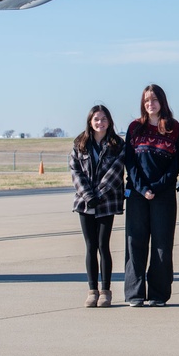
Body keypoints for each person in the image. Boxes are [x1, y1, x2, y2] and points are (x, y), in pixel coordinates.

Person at [123, 84, 179, 307]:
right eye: (147, 100)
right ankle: (135, 293)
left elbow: (175, 165)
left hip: (163, 194)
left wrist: (155, 188)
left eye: (154, 99)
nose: (150, 104)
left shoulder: (174, 128)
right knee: (135, 243)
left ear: (162, 102)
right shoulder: (135, 128)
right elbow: (130, 162)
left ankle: (158, 293)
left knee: (162, 244)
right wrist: (142, 188)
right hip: (138, 194)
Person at [69, 105, 124, 308]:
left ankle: (106, 291)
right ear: (90, 121)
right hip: (85, 203)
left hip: (106, 202)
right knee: (90, 246)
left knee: (103, 245)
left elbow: (116, 171)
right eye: (96, 119)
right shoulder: (80, 143)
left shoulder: (117, 144)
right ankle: (92, 290)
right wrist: (87, 195)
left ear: (109, 121)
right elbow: (75, 171)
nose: (100, 123)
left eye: (103, 119)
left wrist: (99, 195)